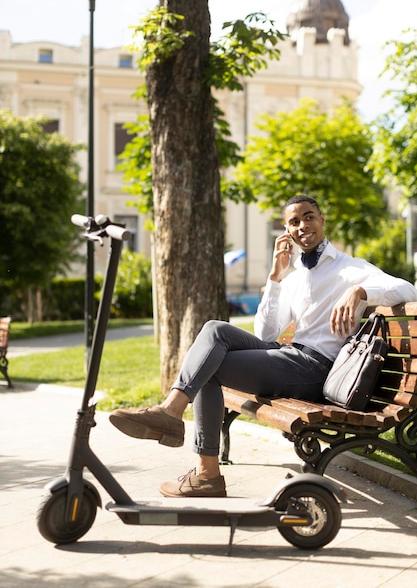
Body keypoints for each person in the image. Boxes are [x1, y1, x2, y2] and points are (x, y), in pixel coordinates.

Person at [110, 194, 417, 498]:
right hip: (290, 355)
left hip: (316, 369)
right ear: (287, 231)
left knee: (209, 368)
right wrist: (275, 277)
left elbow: (407, 288)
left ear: (322, 220)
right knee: (214, 330)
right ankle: (171, 413)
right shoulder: (296, 278)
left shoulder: (350, 269)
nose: (302, 225)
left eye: (309, 217)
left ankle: (205, 471)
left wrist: (360, 292)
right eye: (293, 222)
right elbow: (266, 331)